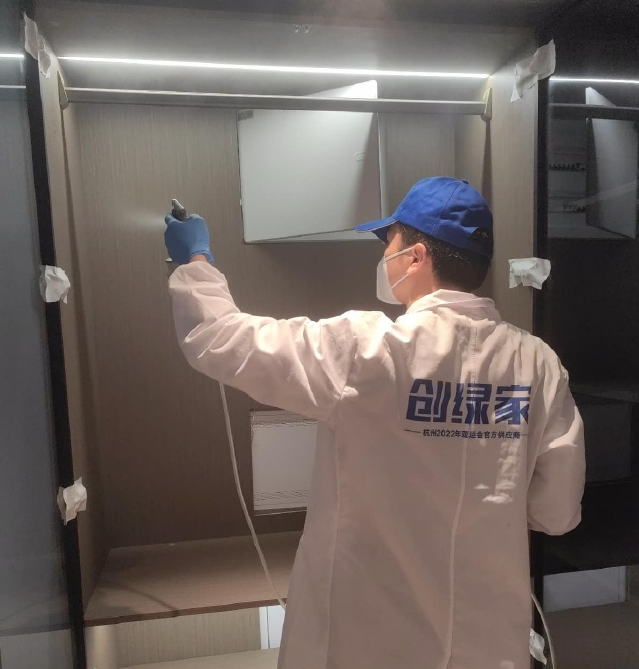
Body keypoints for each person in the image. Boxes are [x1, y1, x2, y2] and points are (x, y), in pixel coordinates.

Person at [164, 176, 585, 669]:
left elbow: (219, 337)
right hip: (489, 646)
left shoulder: (365, 351)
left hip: (366, 643)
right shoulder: (538, 364)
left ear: (417, 257)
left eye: (389, 243)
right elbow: (556, 512)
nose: (385, 257)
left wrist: (195, 261)